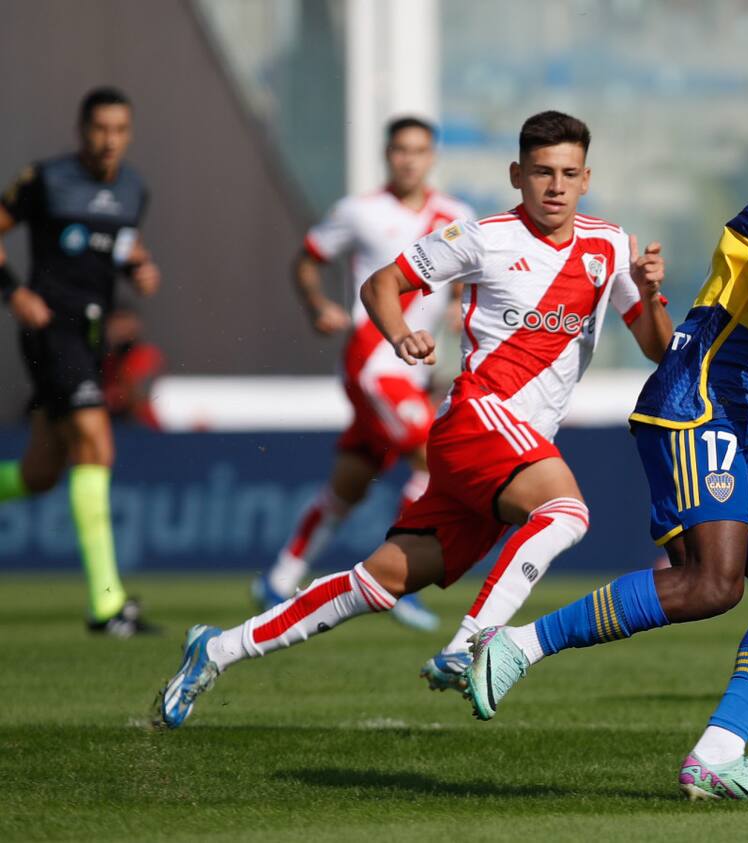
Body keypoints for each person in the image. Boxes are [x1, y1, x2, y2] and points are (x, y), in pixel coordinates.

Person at [465, 95, 748, 802]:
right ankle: (517, 644)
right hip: (697, 402)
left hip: (743, 416)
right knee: (712, 582)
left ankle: (719, 752)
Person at [155, 110, 673, 728]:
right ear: (517, 174)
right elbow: (381, 283)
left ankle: (216, 649)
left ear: (586, 178)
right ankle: (472, 645)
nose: (554, 186)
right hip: (480, 418)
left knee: (377, 583)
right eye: (541, 173)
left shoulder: (611, 246)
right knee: (566, 513)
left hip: (509, 451)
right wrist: (400, 336)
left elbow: (655, 346)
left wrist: (646, 292)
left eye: (567, 173)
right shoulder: (482, 237)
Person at [250, 116, 472, 633]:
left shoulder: (455, 215)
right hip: (372, 358)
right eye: (400, 150)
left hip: (415, 368)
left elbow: (460, 276)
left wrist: (459, 308)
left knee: (350, 482)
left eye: (419, 150)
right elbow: (307, 259)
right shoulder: (359, 212)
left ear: (432, 156)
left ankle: (279, 579)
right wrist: (317, 306)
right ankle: (403, 579)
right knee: (433, 457)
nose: (409, 160)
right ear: (387, 155)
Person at [0, 87, 161, 637]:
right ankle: (108, 605)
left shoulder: (135, 188)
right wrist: (13, 292)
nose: (109, 140)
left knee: (39, 474)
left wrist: (138, 267)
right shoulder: (45, 179)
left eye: (119, 130)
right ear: (81, 130)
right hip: (50, 330)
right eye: (99, 129)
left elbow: (116, 248)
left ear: (130, 133)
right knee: (96, 443)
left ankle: (109, 605)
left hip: (90, 337)